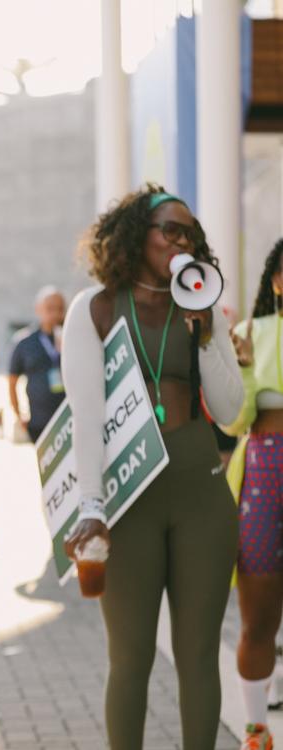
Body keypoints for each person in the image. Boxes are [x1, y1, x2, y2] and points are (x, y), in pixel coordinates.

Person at [62, 186, 243, 750]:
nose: (180, 240)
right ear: (137, 234)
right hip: (128, 491)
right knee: (132, 657)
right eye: (170, 228)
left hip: (198, 486)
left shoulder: (199, 303)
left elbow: (232, 412)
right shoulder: (93, 307)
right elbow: (86, 417)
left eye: (189, 232)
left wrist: (206, 326)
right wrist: (92, 506)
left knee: (198, 658)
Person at [222, 238, 283, 750]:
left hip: (265, 476)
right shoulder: (249, 333)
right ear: (278, 282)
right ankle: (256, 729)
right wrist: (241, 363)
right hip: (264, 476)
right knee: (258, 615)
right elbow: (235, 419)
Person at [8, 286, 67, 442]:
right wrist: (19, 415)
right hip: (39, 420)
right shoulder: (24, 342)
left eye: (59, 308)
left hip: (69, 417)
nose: (55, 313)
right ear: (38, 309)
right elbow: (12, 382)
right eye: (50, 308)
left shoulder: (71, 337)